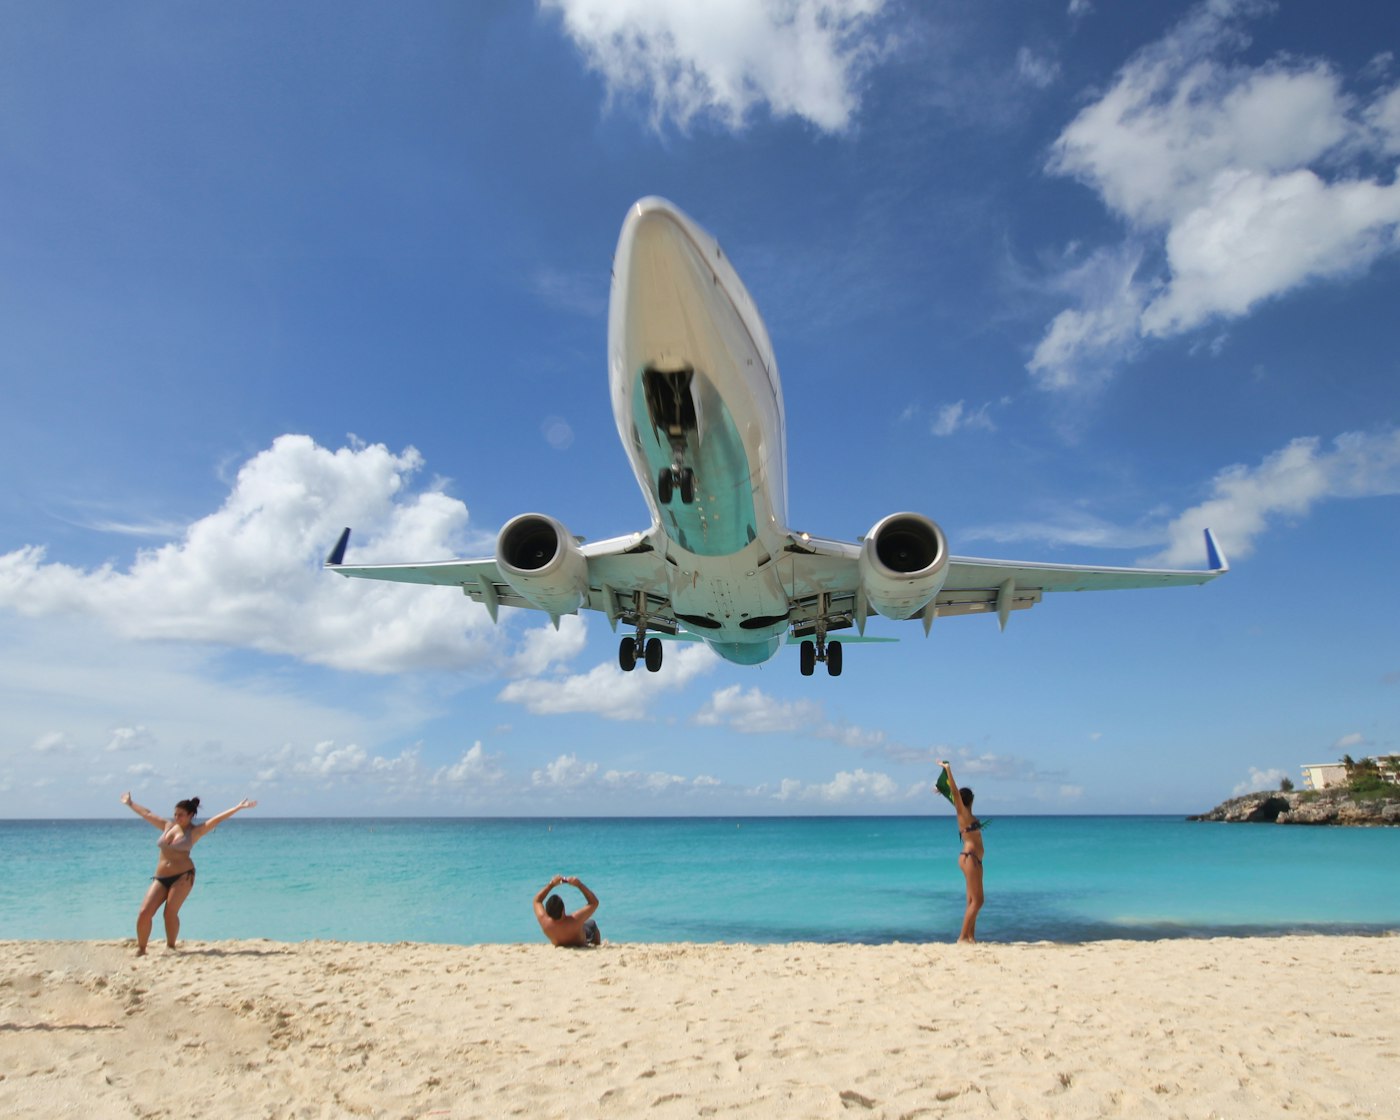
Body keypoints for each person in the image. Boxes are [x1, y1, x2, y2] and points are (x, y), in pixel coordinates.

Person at [120, 791, 258, 955]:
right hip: (161, 877)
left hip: (183, 876)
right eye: (175, 814)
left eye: (181, 815)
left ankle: (170, 947)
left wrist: (238, 807)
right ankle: (142, 949)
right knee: (144, 913)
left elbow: (217, 820)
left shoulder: (195, 832)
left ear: (191, 815)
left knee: (169, 913)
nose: (177, 817)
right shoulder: (167, 826)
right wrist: (130, 803)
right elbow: (147, 813)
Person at [939, 761, 983, 943]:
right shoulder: (963, 814)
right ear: (970, 799)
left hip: (975, 860)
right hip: (969, 858)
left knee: (972, 900)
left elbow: (954, 796)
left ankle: (971, 937)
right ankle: (962, 937)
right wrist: (948, 769)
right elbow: (956, 794)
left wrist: (942, 791)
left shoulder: (968, 815)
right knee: (979, 901)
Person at [533, 875, 602, 947]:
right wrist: (579, 885)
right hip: (580, 943)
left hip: (559, 943)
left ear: (547, 912)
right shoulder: (575, 919)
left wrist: (551, 884)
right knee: (591, 923)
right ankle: (597, 945)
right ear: (563, 910)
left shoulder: (544, 921)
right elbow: (594, 902)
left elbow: (537, 900)